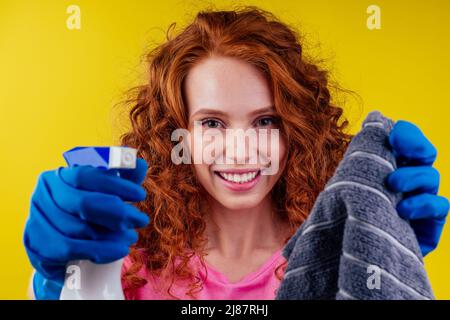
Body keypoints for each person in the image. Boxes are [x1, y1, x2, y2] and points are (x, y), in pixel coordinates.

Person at [24, 6, 449, 300]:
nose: (242, 149)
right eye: (212, 123)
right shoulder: (126, 255)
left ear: (295, 129)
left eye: (266, 121)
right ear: (180, 134)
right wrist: (52, 281)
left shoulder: (336, 248)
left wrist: (389, 258)